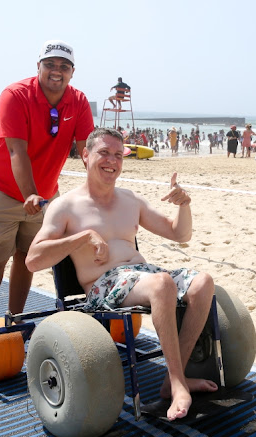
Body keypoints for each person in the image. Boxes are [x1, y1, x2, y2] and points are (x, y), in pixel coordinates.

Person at [25, 127, 217, 421]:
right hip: (103, 285)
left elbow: (180, 234)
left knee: (203, 282)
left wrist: (184, 204)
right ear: (86, 155)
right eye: (104, 153)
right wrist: (82, 237)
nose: (111, 161)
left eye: (118, 155)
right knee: (162, 283)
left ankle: (173, 379)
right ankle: (178, 383)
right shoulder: (65, 206)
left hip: (143, 274)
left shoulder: (130, 200)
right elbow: (33, 260)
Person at [0, 39, 93, 322]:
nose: (57, 71)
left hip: (45, 196)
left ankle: (14, 315)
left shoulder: (78, 101)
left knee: (27, 259)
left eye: (64, 66)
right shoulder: (15, 95)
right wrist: (29, 193)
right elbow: (17, 150)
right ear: (38, 66)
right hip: (0, 191)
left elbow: (87, 150)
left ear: (72, 72)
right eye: (50, 64)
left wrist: (98, 187)